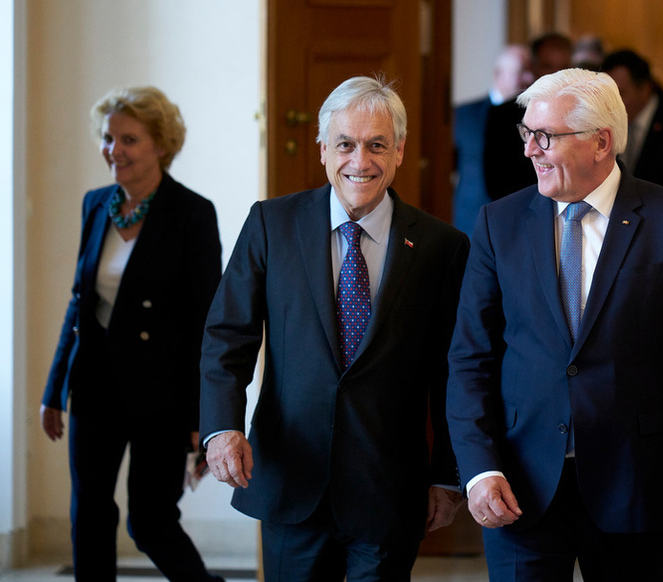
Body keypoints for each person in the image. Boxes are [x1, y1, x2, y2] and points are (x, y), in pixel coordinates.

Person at [447, 68, 663, 581]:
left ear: (601, 142)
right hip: (520, 485)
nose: (530, 150)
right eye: (527, 134)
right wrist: (478, 469)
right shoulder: (499, 223)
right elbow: (471, 358)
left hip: (636, 480)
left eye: (546, 137)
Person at [200, 75, 470, 582]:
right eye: (345, 144)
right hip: (290, 478)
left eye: (376, 145)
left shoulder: (442, 247)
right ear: (323, 149)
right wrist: (222, 427)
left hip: (389, 486)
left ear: (400, 151)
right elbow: (227, 335)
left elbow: (451, 371)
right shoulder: (270, 225)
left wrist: (448, 475)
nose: (360, 161)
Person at [39, 86, 224, 581]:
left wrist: (201, 416)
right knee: (90, 515)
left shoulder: (192, 213)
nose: (113, 150)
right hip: (95, 383)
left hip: (160, 397)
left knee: (152, 521)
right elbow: (80, 301)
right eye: (107, 137)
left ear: (161, 145)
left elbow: (205, 323)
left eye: (129, 139)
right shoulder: (96, 204)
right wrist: (55, 388)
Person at [484, 32, 575, 202]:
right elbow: (496, 181)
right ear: (533, 67)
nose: (557, 74)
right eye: (548, 66)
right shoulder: (503, 114)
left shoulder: (583, 113)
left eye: (564, 67)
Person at [453, 44, 533, 235]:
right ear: (499, 74)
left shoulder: (533, 117)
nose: (529, 78)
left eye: (531, 71)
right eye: (522, 71)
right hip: (471, 223)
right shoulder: (464, 115)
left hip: (519, 224)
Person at [602, 48, 663, 190]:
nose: (610, 103)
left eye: (619, 93)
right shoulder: (603, 125)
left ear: (645, 89)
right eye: (607, 94)